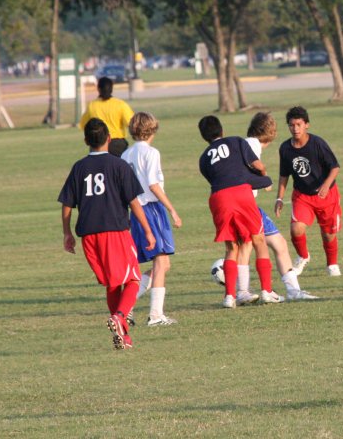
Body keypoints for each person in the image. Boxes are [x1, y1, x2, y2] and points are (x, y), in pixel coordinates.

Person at [58, 118, 155, 350]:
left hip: (88, 236)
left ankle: (124, 335)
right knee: (132, 279)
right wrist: (149, 231)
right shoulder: (118, 165)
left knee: (113, 284)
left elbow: (67, 204)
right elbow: (133, 202)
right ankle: (120, 316)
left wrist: (67, 234)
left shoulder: (79, 167)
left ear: (85, 141)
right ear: (109, 139)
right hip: (115, 230)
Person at [197, 115, 272, 308]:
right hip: (241, 193)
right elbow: (258, 166)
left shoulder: (203, 158)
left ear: (204, 137)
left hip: (218, 198)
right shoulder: (236, 141)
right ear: (222, 130)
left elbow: (216, 179)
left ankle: (229, 297)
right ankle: (267, 291)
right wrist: (264, 179)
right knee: (259, 240)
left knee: (232, 247)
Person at [246, 112, 319, 301]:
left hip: (239, 204)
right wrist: (264, 180)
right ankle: (252, 291)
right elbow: (253, 169)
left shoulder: (245, 143)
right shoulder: (252, 144)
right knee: (253, 247)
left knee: (274, 244)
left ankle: (239, 292)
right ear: (270, 131)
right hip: (247, 206)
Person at [120, 112, 182, 326]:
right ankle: (155, 315)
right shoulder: (151, 153)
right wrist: (172, 209)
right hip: (151, 209)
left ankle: (125, 307)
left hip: (135, 211)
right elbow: (154, 185)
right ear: (152, 130)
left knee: (163, 264)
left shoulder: (125, 155)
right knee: (160, 261)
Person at [275, 106, 342, 277]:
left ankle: (332, 264)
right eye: (291, 125)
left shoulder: (317, 144)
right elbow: (284, 175)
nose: (295, 128)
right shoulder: (285, 148)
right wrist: (279, 199)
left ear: (307, 125)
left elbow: (335, 167)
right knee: (296, 229)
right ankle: (303, 256)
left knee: (328, 235)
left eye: (299, 124)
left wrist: (326, 185)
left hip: (327, 196)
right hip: (302, 196)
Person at [79, 76, 134, 157]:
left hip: (97, 143)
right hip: (117, 145)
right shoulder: (120, 105)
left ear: (98, 89)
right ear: (111, 89)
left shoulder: (92, 105)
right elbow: (131, 123)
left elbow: (83, 125)